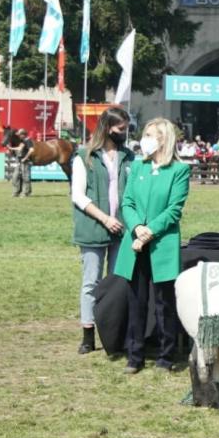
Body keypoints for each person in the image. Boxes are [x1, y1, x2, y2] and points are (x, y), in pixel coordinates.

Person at [113, 118, 191, 374]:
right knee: (136, 301)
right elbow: (128, 203)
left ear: (164, 139)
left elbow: (174, 209)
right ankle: (134, 355)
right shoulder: (138, 167)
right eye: (145, 134)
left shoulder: (179, 170)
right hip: (135, 244)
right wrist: (136, 228)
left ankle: (166, 355)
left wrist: (149, 232)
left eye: (151, 134)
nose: (145, 138)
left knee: (163, 302)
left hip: (161, 245)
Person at [71, 107, 136, 354]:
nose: (125, 133)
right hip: (93, 227)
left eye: (126, 128)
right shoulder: (84, 157)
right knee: (91, 281)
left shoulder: (129, 157)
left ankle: (115, 332)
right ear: (108, 128)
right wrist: (105, 218)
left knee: (119, 282)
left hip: (122, 228)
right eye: (121, 128)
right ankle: (88, 334)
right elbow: (78, 195)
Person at [8, 128, 33, 197]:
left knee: (26, 177)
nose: (18, 136)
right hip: (20, 162)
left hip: (26, 162)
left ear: (23, 135)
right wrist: (11, 148)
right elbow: (19, 148)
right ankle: (16, 192)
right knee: (15, 177)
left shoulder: (28, 141)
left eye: (19, 135)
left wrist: (25, 158)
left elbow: (31, 150)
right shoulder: (23, 141)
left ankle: (26, 193)